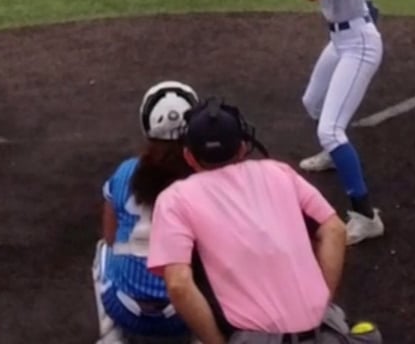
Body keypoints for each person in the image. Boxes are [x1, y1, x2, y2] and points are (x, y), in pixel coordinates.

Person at [148, 99, 379, 344]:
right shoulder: (278, 172)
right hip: (323, 332)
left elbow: (179, 284)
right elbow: (334, 229)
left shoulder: (174, 199)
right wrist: (320, 303)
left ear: (188, 156)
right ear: (242, 148)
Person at [273, 0, 385, 245]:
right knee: (313, 103)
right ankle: (334, 152)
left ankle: (366, 217)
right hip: (339, 43)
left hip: (360, 45)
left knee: (331, 130)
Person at [95, 81, 200, 343]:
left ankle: (111, 334)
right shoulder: (202, 177)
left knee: (103, 251)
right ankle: (203, 335)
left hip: (124, 309)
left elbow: (110, 237)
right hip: (185, 312)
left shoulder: (125, 171)